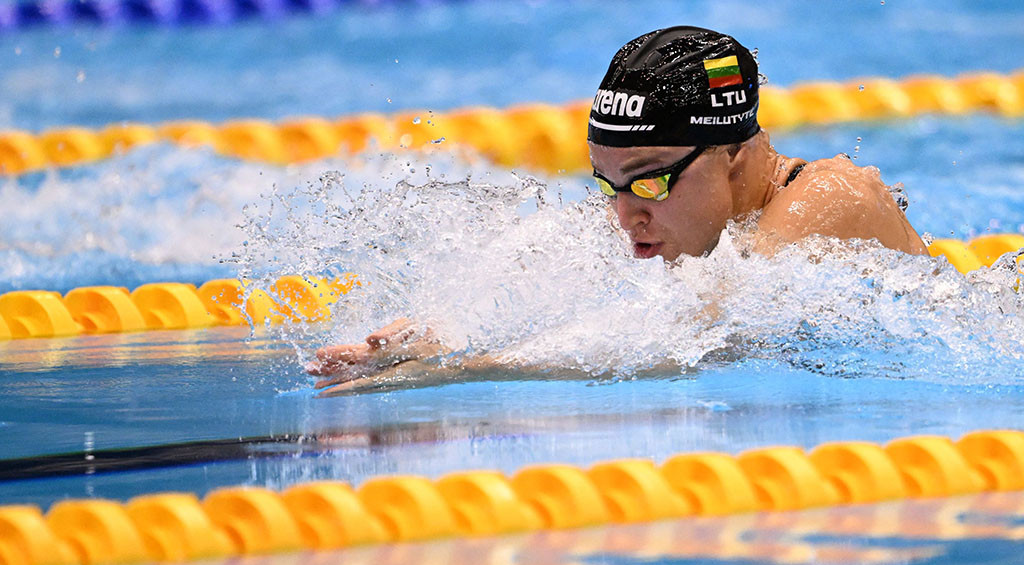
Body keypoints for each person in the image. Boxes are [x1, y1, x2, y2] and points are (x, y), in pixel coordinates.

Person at [308, 26, 928, 395]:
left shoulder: (830, 197)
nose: (624, 217)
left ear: (734, 157)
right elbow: (534, 274)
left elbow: (697, 335)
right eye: (608, 186)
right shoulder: (669, 216)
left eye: (650, 182)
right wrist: (429, 335)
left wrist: (467, 371)